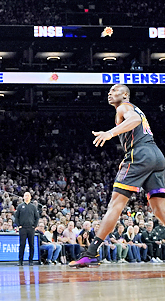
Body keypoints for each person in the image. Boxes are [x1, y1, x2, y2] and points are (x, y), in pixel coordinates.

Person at [70, 84, 165, 267]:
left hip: (141, 154)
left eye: (114, 91)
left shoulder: (125, 107)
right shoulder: (132, 109)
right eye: (109, 91)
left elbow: (135, 120)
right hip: (156, 156)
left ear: (125, 95)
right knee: (160, 210)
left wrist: (110, 133)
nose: (110, 93)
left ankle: (91, 253)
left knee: (115, 204)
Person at [15, 192, 39, 266]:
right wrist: (19, 225)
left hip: (31, 228)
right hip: (23, 228)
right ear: (23, 197)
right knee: (22, 245)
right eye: (25, 195)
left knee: (31, 245)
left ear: (30, 197)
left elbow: (37, 217)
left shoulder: (33, 207)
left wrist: (34, 226)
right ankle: (20, 261)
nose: (27, 197)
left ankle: (31, 260)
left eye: (28, 196)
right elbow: (16, 217)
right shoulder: (20, 206)